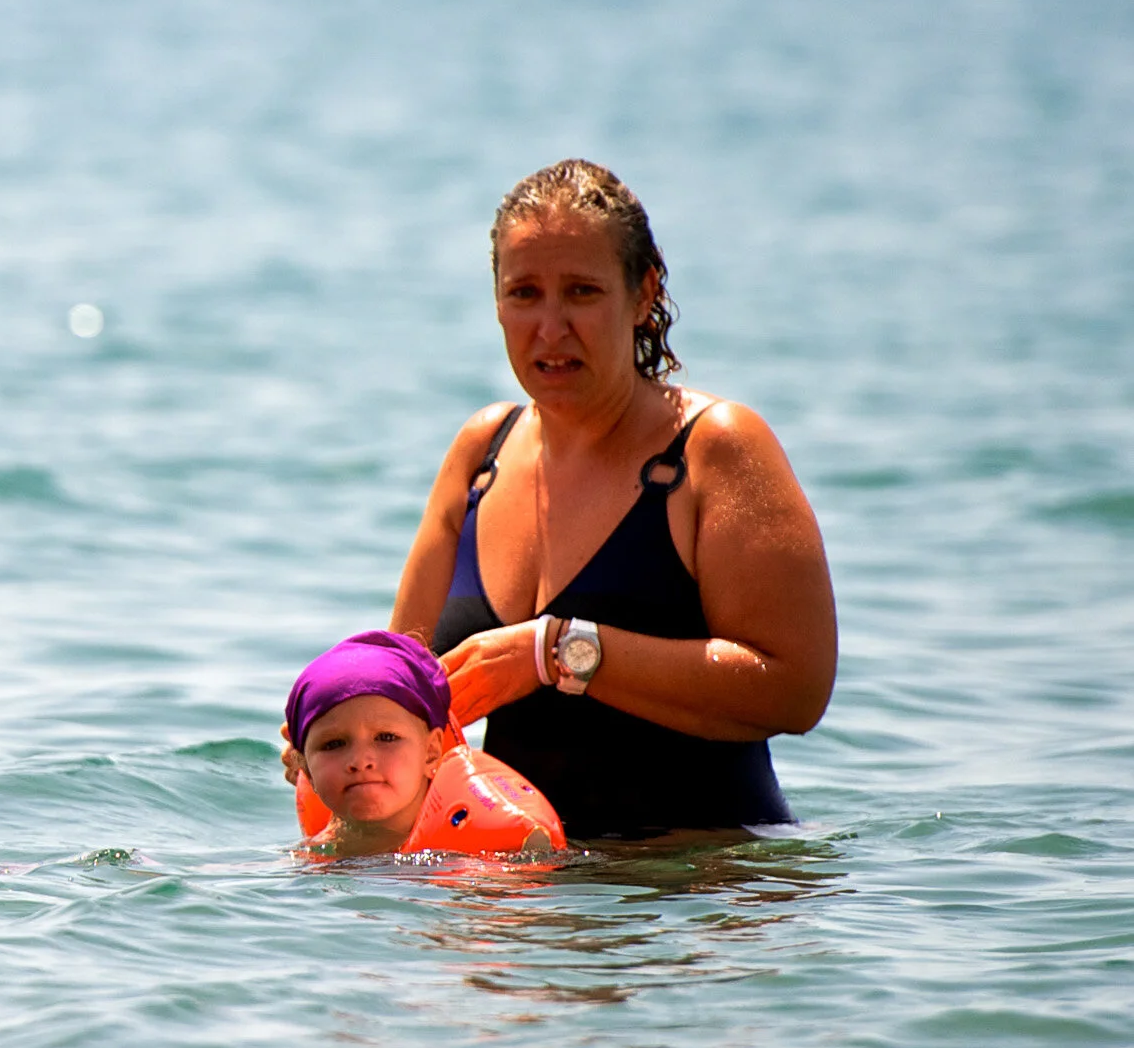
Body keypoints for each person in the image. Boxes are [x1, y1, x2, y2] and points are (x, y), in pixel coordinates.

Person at [389, 159, 836, 840]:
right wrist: (332, 725)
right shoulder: (482, 453)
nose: (551, 327)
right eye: (525, 293)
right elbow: (399, 687)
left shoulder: (714, 448)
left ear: (643, 293)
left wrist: (559, 651)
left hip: (705, 888)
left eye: (582, 291)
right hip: (530, 890)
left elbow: (796, 689)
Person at [278, 632, 454, 856]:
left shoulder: (478, 855)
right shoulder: (308, 861)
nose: (360, 761)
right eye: (333, 744)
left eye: (386, 737)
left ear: (431, 752)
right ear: (305, 768)